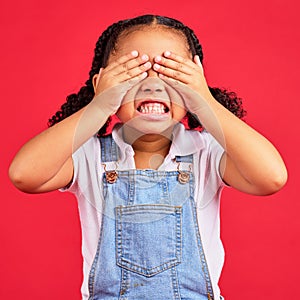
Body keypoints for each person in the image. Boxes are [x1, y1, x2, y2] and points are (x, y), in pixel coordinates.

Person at [9, 14, 287, 300]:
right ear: (101, 83)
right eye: (135, 73)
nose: (153, 86)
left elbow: (272, 178)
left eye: (171, 73)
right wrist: (98, 106)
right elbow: (24, 175)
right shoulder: (89, 156)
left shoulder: (206, 153)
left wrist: (205, 103)